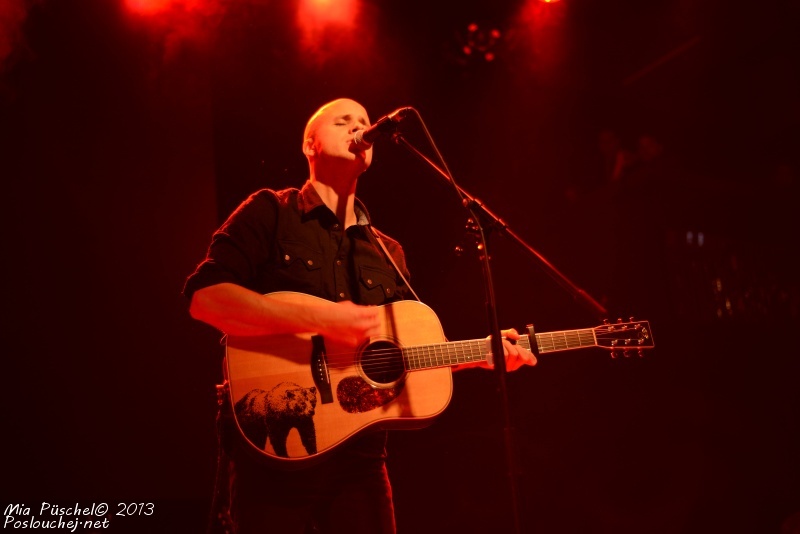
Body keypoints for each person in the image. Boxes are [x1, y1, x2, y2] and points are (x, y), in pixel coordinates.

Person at [183, 98, 536, 534]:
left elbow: (401, 359)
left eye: (365, 122)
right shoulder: (270, 212)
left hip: (360, 462)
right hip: (273, 456)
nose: (359, 128)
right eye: (343, 120)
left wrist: (479, 353)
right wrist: (322, 318)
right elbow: (206, 299)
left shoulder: (388, 252)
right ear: (309, 144)